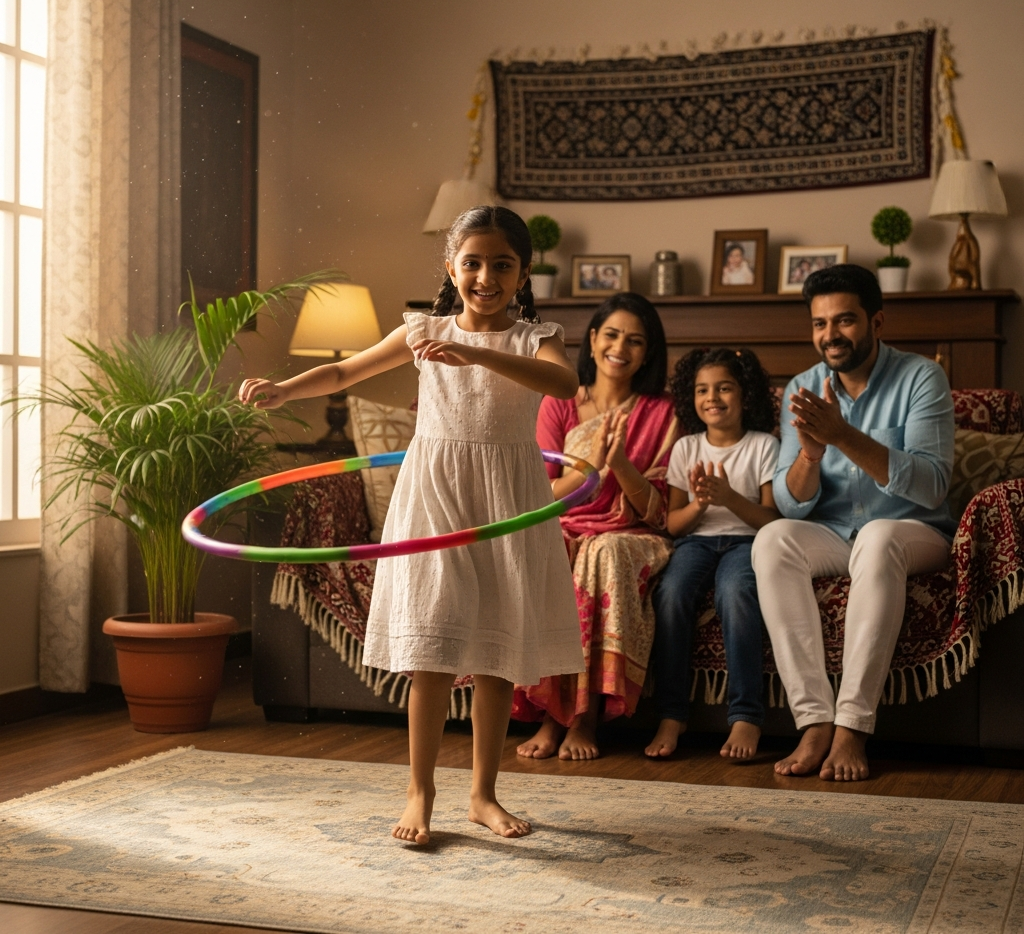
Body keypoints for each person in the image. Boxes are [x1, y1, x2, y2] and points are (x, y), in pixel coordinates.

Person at [239, 206, 583, 844]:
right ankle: (419, 791)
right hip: (436, 497)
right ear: (451, 266)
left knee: (496, 655)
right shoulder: (424, 328)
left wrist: (475, 354)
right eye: (472, 262)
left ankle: (483, 794)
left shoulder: (535, 337)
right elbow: (345, 372)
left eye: (502, 265)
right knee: (433, 646)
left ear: (524, 272)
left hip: (508, 498)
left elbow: (564, 384)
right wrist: (286, 390)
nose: (486, 276)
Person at [752, 264, 954, 781]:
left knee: (880, 537)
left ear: (877, 321)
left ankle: (852, 726)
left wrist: (843, 435)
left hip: (914, 533)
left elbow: (932, 485)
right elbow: (789, 504)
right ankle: (814, 719)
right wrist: (811, 455)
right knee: (773, 540)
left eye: (844, 321)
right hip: (837, 534)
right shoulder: (802, 386)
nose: (830, 335)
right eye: (820, 324)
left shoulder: (921, 378)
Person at [514, 292, 677, 760]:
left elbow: (659, 511)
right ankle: (550, 713)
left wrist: (620, 464)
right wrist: (589, 469)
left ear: (648, 352)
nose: (620, 347)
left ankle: (583, 719)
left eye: (635, 340)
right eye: (611, 334)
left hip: (631, 533)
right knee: (549, 545)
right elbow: (538, 495)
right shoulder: (559, 403)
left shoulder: (661, 413)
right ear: (592, 339)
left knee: (601, 552)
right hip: (566, 521)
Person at [645, 347, 780, 762]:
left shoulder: (764, 447)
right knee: (670, 594)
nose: (713, 398)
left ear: (745, 395)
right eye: (702, 390)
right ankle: (672, 714)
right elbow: (673, 524)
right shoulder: (686, 448)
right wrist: (702, 504)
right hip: (695, 542)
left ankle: (745, 715)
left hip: (747, 541)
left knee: (736, 592)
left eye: (724, 388)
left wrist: (728, 498)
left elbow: (771, 520)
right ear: (691, 398)